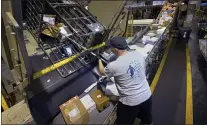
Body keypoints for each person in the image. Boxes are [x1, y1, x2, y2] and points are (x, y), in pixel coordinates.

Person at [98, 36, 152, 124]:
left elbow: (102, 72)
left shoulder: (114, 65)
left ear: (115, 49)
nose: (110, 49)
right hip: (147, 95)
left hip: (131, 102)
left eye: (110, 47)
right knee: (147, 119)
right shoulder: (137, 54)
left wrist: (99, 59)